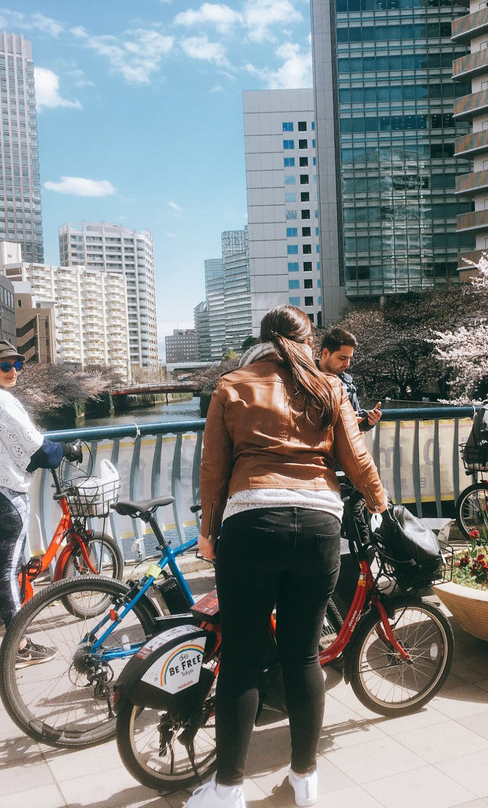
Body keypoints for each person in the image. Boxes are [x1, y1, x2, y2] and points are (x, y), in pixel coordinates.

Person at [195, 306, 387, 808]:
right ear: (307, 341)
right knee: (304, 654)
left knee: (241, 658)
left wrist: (208, 532)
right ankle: (305, 779)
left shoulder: (231, 384)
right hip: (321, 523)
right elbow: (356, 456)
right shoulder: (329, 386)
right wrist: (379, 503)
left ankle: (228, 790)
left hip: (252, 521)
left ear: (262, 339)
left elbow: (213, 467)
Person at [0, 340, 81, 664]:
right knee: (7, 570)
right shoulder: (1, 401)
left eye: (17, 365)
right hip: (0, 493)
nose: (13, 372)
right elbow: (38, 448)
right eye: (5, 366)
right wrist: (66, 450)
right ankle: (18, 645)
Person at [317, 326, 383, 431]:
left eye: (349, 358)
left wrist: (368, 421)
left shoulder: (347, 381)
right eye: (342, 358)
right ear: (325, 353)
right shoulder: (305, 378)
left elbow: (356, 421)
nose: (347, 364)